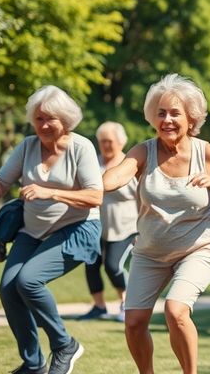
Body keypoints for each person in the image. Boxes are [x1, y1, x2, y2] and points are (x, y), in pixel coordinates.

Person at [103, 74, 210, 374]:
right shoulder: (143, 151)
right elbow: (120, 172)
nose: (167, 120)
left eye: (175, 113)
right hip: (151, 250)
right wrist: (99, 185)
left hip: (199, 247)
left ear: (191, 117)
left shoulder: (207, 153)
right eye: (161, 113)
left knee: (175, 311)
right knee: (134, 321)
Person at [0, 85, 104, 374]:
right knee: (9, 289)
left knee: (29, 281)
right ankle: (34, 364)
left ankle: (64, 345)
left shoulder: (80, 147)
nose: (44, 125)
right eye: (38, 119)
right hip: (32, 231)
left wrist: (51, 193)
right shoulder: (27, 146)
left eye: (50, 119)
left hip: (77, 229)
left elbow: (95, 196)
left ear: (66, 120)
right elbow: (1, 184)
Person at [77, 121, 138, 323]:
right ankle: (99, 306)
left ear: (121, 142)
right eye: (102, 141)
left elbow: (142, 198)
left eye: (109, 141)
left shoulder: (130, 164)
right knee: (90, 263)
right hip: (97, 225)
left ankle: (126, 304)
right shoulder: (94, 163)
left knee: (113, 265)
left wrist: (143, 229)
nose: (106, 145)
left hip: (126, 226)